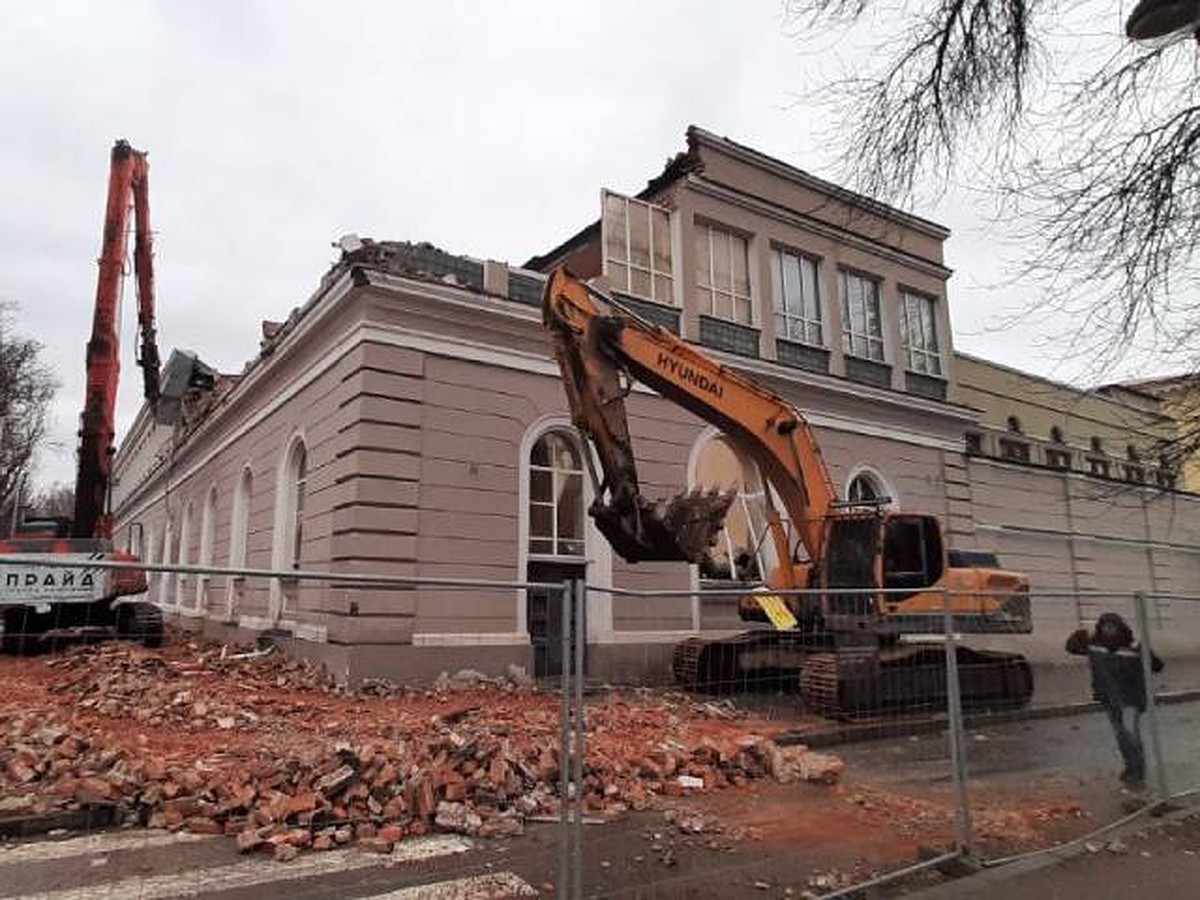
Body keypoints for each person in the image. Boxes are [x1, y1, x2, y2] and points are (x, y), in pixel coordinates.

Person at [1066, 612, 1164, 791]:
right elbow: (1072, 647)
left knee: (1130, 735)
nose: (1109, 630)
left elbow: (1157, 666)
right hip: (1109, 699)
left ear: (1120, 628)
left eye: (1112, 626)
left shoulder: (1132, 647)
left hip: (1131, 701)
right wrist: (1078, 635)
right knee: (1121, 737)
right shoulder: (1096, 645)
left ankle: (1137, 774)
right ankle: (1130, 769)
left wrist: (1146, 653)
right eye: (1105, 626)